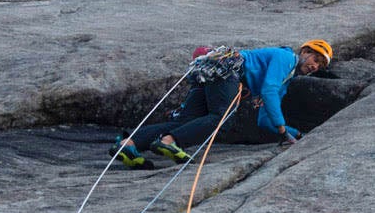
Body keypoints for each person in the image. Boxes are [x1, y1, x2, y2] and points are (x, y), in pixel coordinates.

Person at [113, 39, 333, 168]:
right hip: (226, 71)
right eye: (315, 59)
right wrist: (284, 129)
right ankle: (170, 141)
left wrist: (296, 134)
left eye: (320, 65)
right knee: (222, 118)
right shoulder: (286, 59)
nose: (315, 66)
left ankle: (129, 145)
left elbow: (265, 119)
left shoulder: (287, 80)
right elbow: (268, 90)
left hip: (215, 71)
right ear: (304, 52)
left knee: (188, 119)